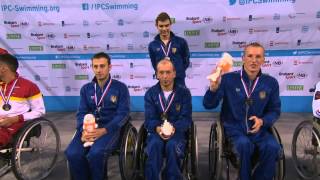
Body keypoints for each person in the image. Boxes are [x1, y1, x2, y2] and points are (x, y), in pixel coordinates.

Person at [203, 42, 281, 180]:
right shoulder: (228, 79)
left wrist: (263, 121)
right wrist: (213, 89)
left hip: (260, 131)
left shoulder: (271, 83)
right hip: (234, 129)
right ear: (243, 58)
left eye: (258, 57)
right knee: (244, 145)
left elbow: (274, 110)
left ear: (263, 60)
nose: (254, 60)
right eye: (250, 56)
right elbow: (208, 104)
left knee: (273, 147)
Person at [65, 52, 130, 180]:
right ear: (92, 67)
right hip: (88, 128)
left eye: (102, 66)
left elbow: (123, 114)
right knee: (72, 153)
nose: (98, 70)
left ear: (109, 67)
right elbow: (81, 112)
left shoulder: (120, 88)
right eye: (95, 66)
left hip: (110, 128)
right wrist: (82, 130)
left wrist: (104, 130)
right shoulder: (86, 89)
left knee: (96, 153)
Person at [144, 59, 192, 180]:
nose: (165, 76)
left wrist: (174, 128)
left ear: (174, 73)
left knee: (172, 145)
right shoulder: (150, 94)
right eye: (161, 72)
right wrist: (157, 128)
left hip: (177, 133)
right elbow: (149, 119)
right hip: (156, 132)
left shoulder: (184, 93)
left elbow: (186, 119)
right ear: (157, 74)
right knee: (155, 144)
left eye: (168, 72)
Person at [0, 48, 45, 147]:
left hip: (16, 123)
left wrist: (15, 119)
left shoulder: (29, 86)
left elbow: (40, 111)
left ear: (3, 68)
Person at [148, 12, 190, 87]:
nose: (164, 29)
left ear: (170, 25)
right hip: (163, 82)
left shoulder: (181, 42)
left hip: (179, 82)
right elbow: (154, 64)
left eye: (166, 25)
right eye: (161, 26)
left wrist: (178, 71)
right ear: (156, 26)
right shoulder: (152, 45)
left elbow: (186, 61)